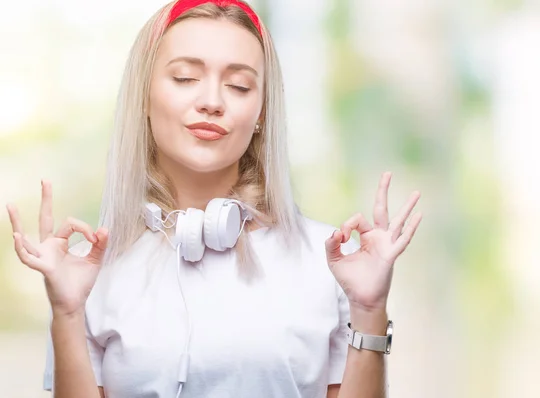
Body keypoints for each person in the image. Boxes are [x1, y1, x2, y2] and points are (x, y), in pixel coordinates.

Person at [5, 0, 422, 397]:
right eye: (185, 78)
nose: (211, 102)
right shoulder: (88, 272)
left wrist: (369, 307)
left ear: (261, 113)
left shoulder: (331, 260)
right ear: (144, 98)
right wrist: (67, 312)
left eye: (239, 86)